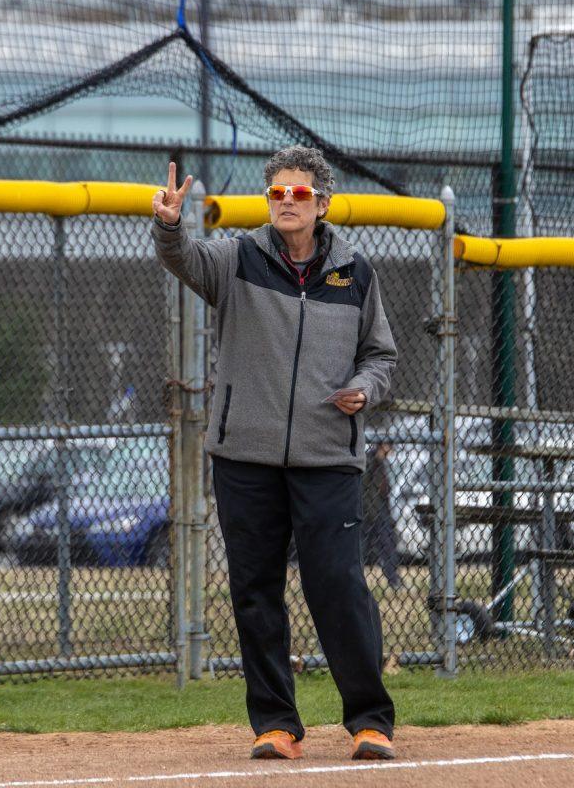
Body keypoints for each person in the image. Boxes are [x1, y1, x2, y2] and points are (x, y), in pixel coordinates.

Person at [151, 146, 398, 761]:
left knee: (338, 586)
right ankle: (275, 724)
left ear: (323, 204)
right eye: (277, 193)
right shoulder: (236, 258)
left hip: (327, 459)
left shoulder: (356, 274)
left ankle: (370, 721)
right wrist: (168, 224)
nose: (287, 201)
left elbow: (382, 357)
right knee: (254, 590)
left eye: (299, 193)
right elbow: (182, 257)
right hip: (245, 457)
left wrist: (364, 390)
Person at [362, 442, 401, 589]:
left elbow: (386, 489)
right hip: (368, 512)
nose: (390, 450)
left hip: (381, 512)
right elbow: (364, 486)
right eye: (388, 446)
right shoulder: (370, 460)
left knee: (389, 545)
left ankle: (393, 580)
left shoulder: (382, 463)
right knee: (361, 548)